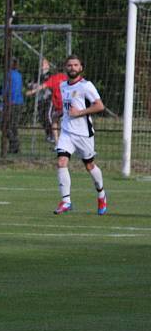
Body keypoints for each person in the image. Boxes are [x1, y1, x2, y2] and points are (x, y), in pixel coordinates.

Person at [52, 55, 107, 216]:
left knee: (89, 166)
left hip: (83, 134)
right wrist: (59, 114)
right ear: (65, 68)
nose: (72, 68)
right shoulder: (63, 85)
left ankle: (101, 194)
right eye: (69, 65)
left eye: (76, 65)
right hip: (67, 132)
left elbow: (100, 106)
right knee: (61, 161)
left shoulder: (86, 86)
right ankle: (66, 201)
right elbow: (68, 107)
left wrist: (80, 113)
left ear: (81, 68)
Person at [27, 58, 66, 145]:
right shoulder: (40, 75)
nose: (41, 66)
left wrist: (32, 91)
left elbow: (43, 86)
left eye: (44, 64)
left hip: (54, 101)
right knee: (48, 119)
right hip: (56, 103)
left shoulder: (53, 77)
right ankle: (56, 140)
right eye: (41, 64)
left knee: (52, 118)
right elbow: (36, 84)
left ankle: (57, 140)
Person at [2, 57, 24, 154]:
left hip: (11, 103)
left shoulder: (9, 75)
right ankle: (14, 148)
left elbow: (7, 90)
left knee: (5, 126)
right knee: (13, 126)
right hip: (19, 102)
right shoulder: (19, 75)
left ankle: (15, 144)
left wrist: (2, 104)